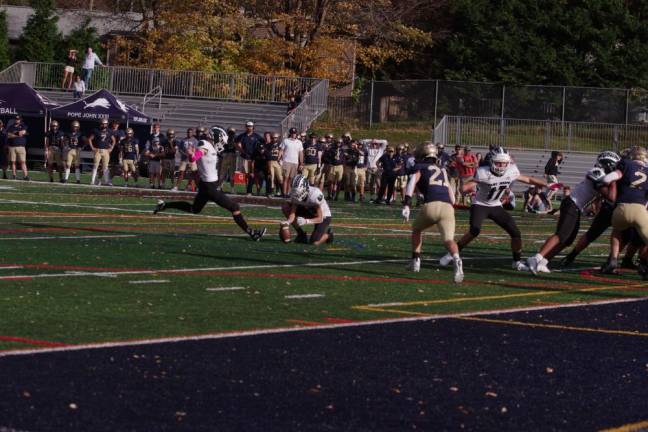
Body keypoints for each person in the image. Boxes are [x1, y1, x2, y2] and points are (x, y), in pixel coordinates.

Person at [439, 147, 549, 272]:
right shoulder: (483, 172)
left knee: (515, 233)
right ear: (491, 162)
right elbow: (464, 189)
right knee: (474, 231)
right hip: (480, 204)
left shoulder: (511, 171)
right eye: (498, 162)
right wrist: (466, 187)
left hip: (496, 205)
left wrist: (545, 183)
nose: (502, 166)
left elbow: (528, 179)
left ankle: (517, 262)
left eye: (504, 163)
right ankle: (451, 254)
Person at [154, 128, 266, 242]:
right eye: (221, 140)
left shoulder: (210, 145)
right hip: (209, 187)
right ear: (215, 137)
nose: (222, 143)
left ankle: (165, 205)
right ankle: (252, 233)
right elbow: (196, 156)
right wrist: (192, 155)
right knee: (235, 207)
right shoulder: (205, 145)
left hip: (206, 185)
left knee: (194, 209)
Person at [527, 164, 610, 275]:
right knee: (561, 234)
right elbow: (606, 192)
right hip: (572, 203)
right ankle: (537, 258)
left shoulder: (605, 177)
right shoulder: (597, 172)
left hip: (577, 207)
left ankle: (543, 262)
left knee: (568, 239)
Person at [401, 143, 463, 283]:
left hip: (431, 205)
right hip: (448, 207)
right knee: (448, 240)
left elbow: (412, 182)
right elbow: (452, 196)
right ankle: (457, 259)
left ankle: (416, 261)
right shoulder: (442, 170)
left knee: (416, 230)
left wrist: (407, 204)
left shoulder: (420, 167)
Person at [560, 151, 622, 267]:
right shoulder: (602, 173)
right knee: (597, 234)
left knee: (620, 234)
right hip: (613, 207)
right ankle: (572, 256)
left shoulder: (622, 170)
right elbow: (610, 196)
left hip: (617, 207)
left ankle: (613, 260)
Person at [598, 146, 648, 277]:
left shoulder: (626, 164)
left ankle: (612, 261)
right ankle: (644, 265)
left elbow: (608, 178)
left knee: (617, 232)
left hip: (621, 208)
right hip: (640, 209)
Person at [280, 174, 333, 245]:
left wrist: (306, 221)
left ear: (305, 187)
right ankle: (301, 234)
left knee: (314, 242)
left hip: (323, 216)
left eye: (298, 191)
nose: (296, 194)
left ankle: (329, 235)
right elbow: (292, 213)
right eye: (295, 191)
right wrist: (288, 222)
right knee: (285, 207)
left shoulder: (315, 195)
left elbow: (320, 218)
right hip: (308, 211)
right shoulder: (295, 195)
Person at [235, 121, 264, 196]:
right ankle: (248, 190)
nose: (249, 127)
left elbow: (263, 143)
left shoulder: (256, 136)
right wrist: (240, 149)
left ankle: (257, 188)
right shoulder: (242, 136)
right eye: (248, 126)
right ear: (246, 127)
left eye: (250, 126)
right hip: (245, 157)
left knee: (254, 175)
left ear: (253, 127)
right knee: (247, 175)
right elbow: (236, 142)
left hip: (254, 158)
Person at [281, 127, 304, 197]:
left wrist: (301, 163)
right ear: (290, 133)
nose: (294, 134)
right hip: (286, 161)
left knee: (291, 178)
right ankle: (284, 193)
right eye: (292, 133)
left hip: (295, 162)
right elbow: (281, 150)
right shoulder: (286, 140)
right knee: (286, 177)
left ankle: (288, 193)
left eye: (295, 133)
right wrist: (280, 159)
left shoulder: (299, 142)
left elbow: (301, 153)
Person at [6, 115, 29, 180]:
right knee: (13, 162)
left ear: (20, 120)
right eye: (16, 119)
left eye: (18, 119)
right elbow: (8, 135)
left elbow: (23, 132)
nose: (17, 120)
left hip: (21, 147)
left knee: (23, 162)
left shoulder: (23, 125)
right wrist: (17, 134)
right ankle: (14, 175)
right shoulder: (11, 126)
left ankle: (25, 176)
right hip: (12, 147)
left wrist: (13, 134)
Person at [216, 127, 237, 193]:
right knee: (222, 173)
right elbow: (219, 147)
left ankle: (232, 188)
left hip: (232, 155)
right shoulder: (224, 138)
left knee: (231, 174)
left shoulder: (235, 139)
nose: (231, 134)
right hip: (225, 155)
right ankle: (219, 186)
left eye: (232, 132)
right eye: (230, 132)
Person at [266, 132, 284, 196]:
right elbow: (267, 155)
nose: (274, 139)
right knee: (271, 177)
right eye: (273, 138)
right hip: (270, 161)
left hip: (277, 162)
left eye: (275, 138)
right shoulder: (268, 145)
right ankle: (271, 192)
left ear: (278, 138)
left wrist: (281, 161)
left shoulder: (280, 145)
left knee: (280, 178)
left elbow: (283, 154)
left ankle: (282, 192)